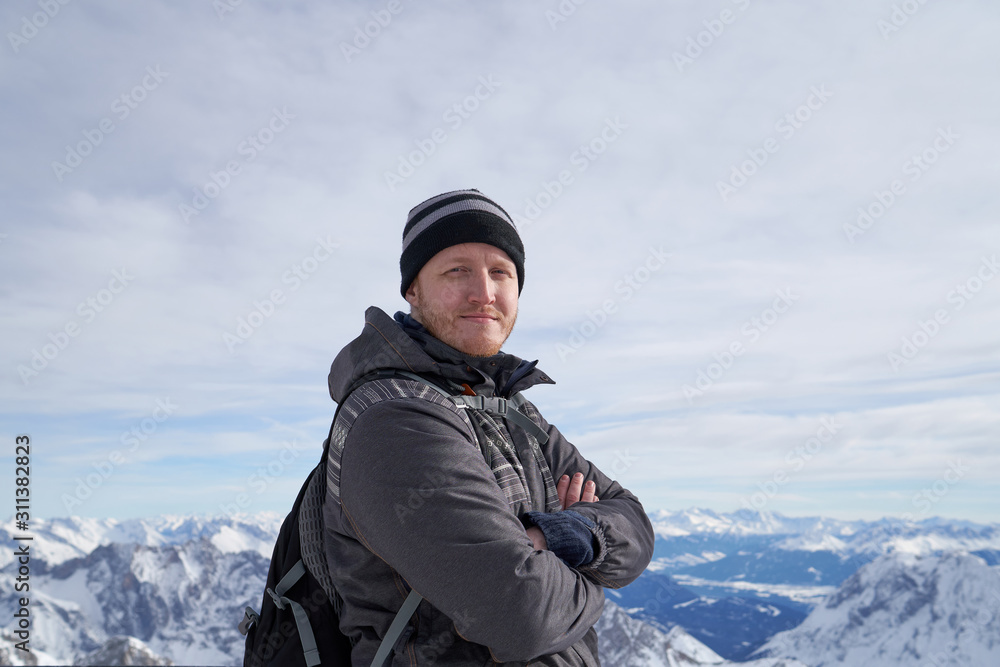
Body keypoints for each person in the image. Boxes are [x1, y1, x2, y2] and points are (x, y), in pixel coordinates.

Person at [321, 189, 654, 666]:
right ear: (413, 289)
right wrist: (596, 581)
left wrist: (564, 537)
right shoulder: (393, 419)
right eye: (457, 271)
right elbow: (524, 614)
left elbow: (636, 524)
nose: (484, 292)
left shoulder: (511, 409)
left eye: (501, 272)